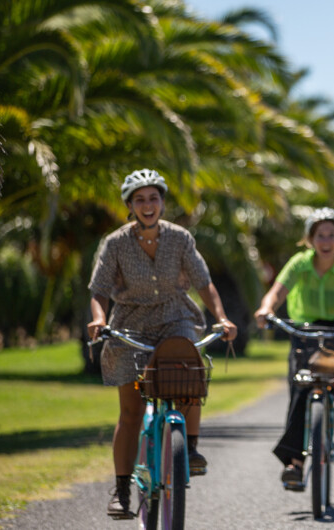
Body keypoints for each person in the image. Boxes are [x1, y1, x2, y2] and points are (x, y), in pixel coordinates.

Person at [87, 169, 238, 519]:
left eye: (153, 197)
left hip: (175, 318)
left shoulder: (181, 238)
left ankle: (191, 449)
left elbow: (204, 283)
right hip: (131, 325)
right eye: (139, 199)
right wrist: (98, 318)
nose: (148, 205)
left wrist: (222, 316)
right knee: (130, 413)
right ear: (129, 205)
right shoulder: (115, 243)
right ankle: (122, 491)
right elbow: (98, 290)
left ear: (163, 202)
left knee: (190, 372)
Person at [253, 207, 334, 491]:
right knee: (301, 388)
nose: (325, 241)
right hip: (305, 330)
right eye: (319, 235)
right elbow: (278, 290)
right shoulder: (300, 262)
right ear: (310, 239)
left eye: (331, 235)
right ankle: (295, 463)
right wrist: (266, 308)